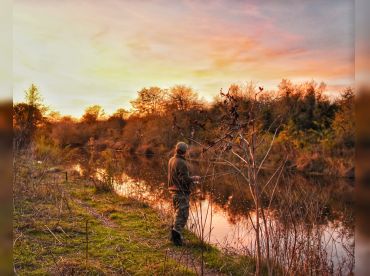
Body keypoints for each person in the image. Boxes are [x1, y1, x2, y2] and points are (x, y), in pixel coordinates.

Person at [168, 141, 200, 246]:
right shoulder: (182, 163)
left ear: (176, 149)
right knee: (182, 215)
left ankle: (172, 236)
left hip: (173, 191)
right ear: (185, 151)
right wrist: (193, 178)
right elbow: (184, 179)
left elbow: (178, 177)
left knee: (177, 213)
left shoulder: (171, 160)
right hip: (181, 192)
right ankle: (176, 240)